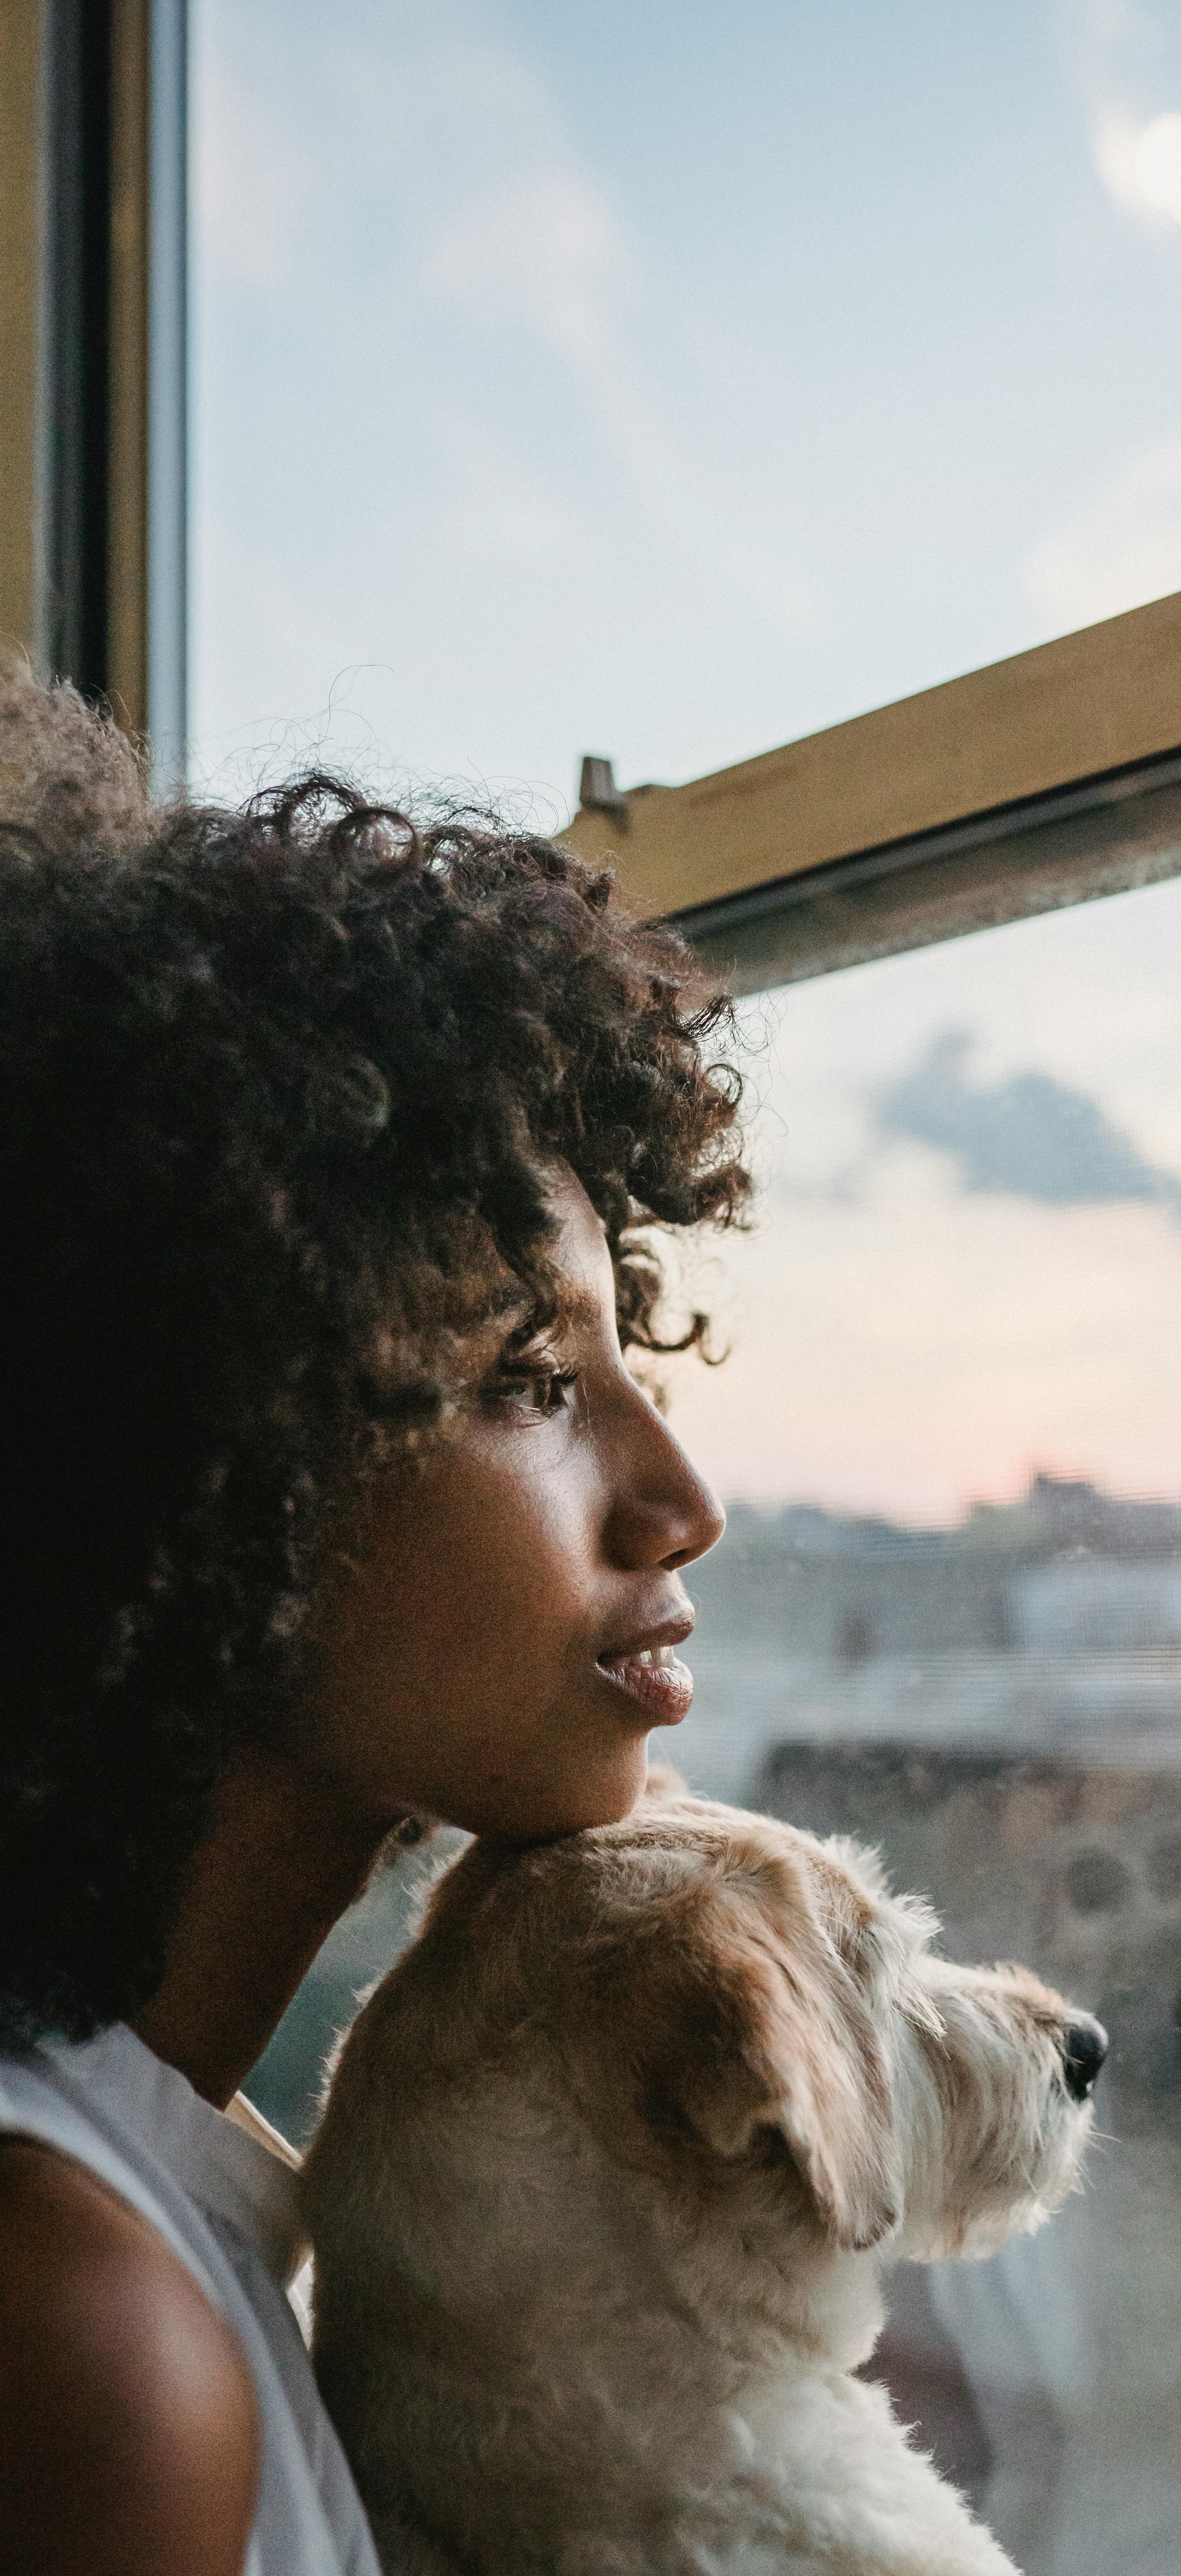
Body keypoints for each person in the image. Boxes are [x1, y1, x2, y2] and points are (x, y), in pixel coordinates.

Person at [0, 669, 749, 2575]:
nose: (682, 1503)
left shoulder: (150, 2196)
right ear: (191, 1444)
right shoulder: (84, 2335)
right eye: (525, 1384)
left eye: (619, 1350)